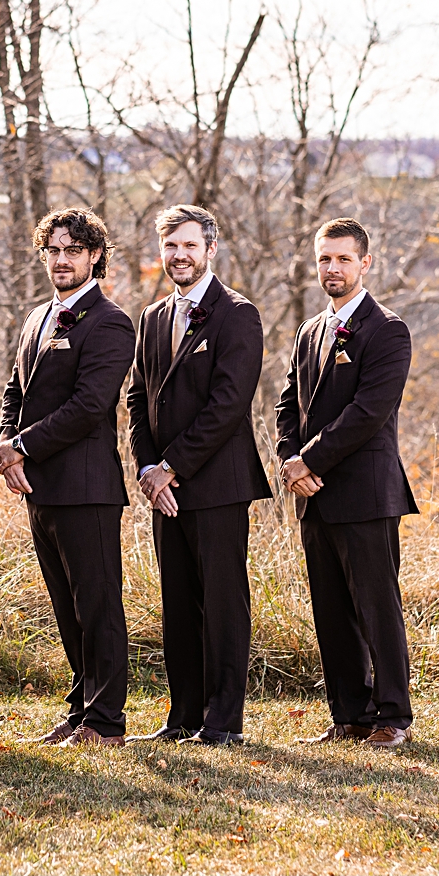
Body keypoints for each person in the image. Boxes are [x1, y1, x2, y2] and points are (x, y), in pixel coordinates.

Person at [126, 204, 272, 745]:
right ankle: (182, 716)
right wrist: (146, 467)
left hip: (216, 485)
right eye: (170, 246)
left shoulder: (237, 313)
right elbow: (138, 397)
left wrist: (172, 467)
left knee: (222, 603)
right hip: (163, 488)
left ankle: (223, 722)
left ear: (211, 250)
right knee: (178, 602)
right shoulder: (153, 316)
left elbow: (228, 404)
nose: (178, 255)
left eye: (189, 245)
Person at [275, 217, 420, 751]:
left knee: (376, 607)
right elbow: (287, 403)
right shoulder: (310, 330)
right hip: (313, 494)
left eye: (342, 259)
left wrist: (308, 460)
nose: (332, 269)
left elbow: (368, 412)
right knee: (330, 608)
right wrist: (289, 456)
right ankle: (349, 716)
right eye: (324, 259)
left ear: (365, 263)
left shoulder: (388, 329)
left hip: (365, 492)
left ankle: (392, 716)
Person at [0, 208, 136, 747]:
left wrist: (22, 446)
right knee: (65, 604)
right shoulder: (37, 318)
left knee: (98, 604)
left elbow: (88, 405)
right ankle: (80, 710)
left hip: (87, 489)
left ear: (94, 256)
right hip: (39, 489)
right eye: (53, 250)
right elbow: (15, 389)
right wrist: (9, 446)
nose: (61, 259)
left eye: (73, 250)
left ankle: (106, 721)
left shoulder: (110, 322)